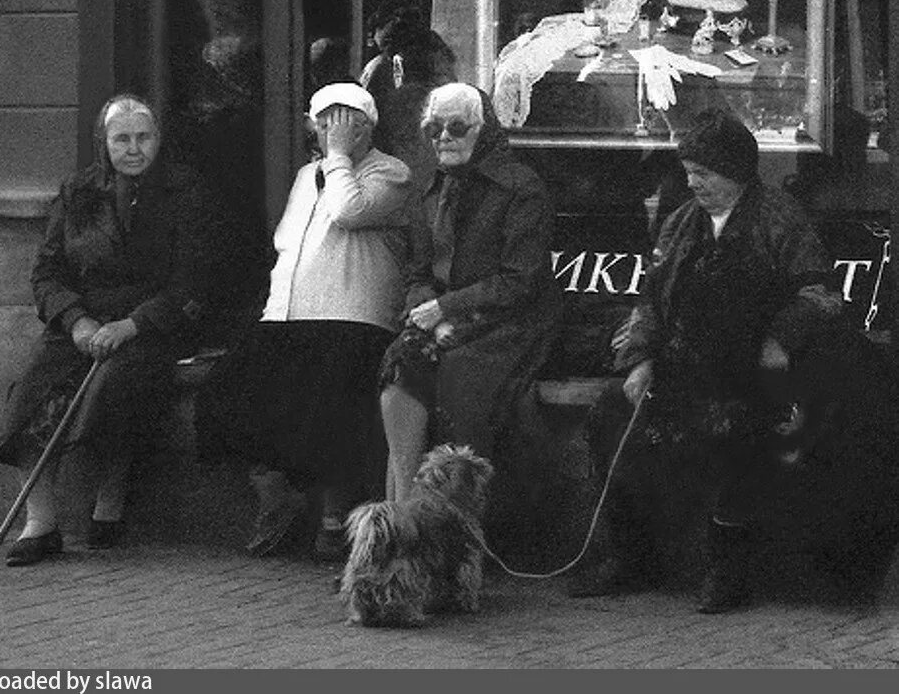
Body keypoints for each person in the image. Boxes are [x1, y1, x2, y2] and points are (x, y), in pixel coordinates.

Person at [567, 108, 898, 612]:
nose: (693, 182)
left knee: (741, 428)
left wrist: (779, 341)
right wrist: (639, 359)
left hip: (750, 367)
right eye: (689, 172)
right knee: (612, 417)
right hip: (683, 365)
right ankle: (629, 557)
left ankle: (729, 569)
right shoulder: (680, 224)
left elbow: (819, 292)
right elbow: (651, 299)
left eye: (705, 173)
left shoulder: (779, 220)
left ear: (737, 173)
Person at [0, 93, 233, 566]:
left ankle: (111, 496)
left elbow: (196, 278)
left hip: (151, 326)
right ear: (104, 143)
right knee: (30, 393)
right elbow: (47, 274)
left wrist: (133, 324)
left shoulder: (186, 193)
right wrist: (77, 320)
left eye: (144, 137)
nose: (134, 148)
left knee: (112, 386)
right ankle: (40, 523)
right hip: (80, 323)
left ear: (159, 140)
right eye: (122, 139)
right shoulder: (78, 193)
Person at [199, 82, 413, 561]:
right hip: (288, 315)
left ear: (367, 127)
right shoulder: (304, 176)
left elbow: (348, 210)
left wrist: (338, 157)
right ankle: (279, 500)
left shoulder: (392, 173)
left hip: (354, 319)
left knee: (330, 404)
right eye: (324, 121)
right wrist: (274, 308)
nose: (332, 132)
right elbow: (288, 247)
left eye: (345, 121)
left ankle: (335, 516)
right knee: (225, 393)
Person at [379, 82, 564, 502]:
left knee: (460, 383)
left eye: (457, 127)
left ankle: (453, 521)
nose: (443, 138)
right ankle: (404, 514)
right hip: (447, 320)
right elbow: (418, 272)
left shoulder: (521, 186)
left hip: (511, 322)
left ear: (483, 130)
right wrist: (424, 312)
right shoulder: (432, 189)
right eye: (434, 128)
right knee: (402, 362)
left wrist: (446, 309)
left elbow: (521, 280)